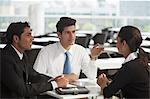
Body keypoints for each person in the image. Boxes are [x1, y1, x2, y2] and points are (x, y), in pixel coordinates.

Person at [1, 22, 68, 98]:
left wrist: (52, 80)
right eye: (28, 35)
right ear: (16, 38)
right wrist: (54, 84)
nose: (32, 38)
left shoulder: (21, 54)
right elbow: (23, 90)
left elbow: (33, 76)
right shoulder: (4, 59)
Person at [33, 17, 103, 82]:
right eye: (67, 32)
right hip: (51, 93)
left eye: (73, 32)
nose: (72, 36)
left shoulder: (80, 50)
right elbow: (36, 78)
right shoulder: (46, 52)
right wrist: (65, 77)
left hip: (74, 93)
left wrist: (93, 58)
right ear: (59, 35)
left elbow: (92, 76)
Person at [97, 26, 150, 98]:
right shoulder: (140, 60)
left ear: (124, 43)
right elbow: (121, 81)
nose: (116, 45)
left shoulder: (130, 67)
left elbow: (107, 93)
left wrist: (102, 85)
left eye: (117, 41)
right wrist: (108, 82)